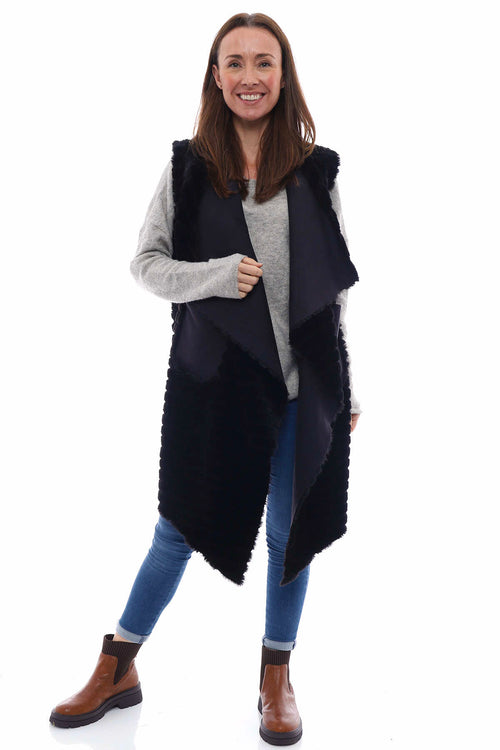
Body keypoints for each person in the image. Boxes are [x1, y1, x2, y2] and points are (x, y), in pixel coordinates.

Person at [49, 12, 362, 746]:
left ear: (283, 76)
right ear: (216, 77)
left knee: (290, 535)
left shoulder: (317, 170)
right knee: (179, 528)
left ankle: (276, 677)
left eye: (264, 62)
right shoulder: (189, 167)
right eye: (235, 63)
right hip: (216, 384)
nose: (250, 76)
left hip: (304, 386)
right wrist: (215, 277)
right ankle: (118, 664)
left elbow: (335, 291)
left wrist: (349, 387)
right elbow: (145, 264)